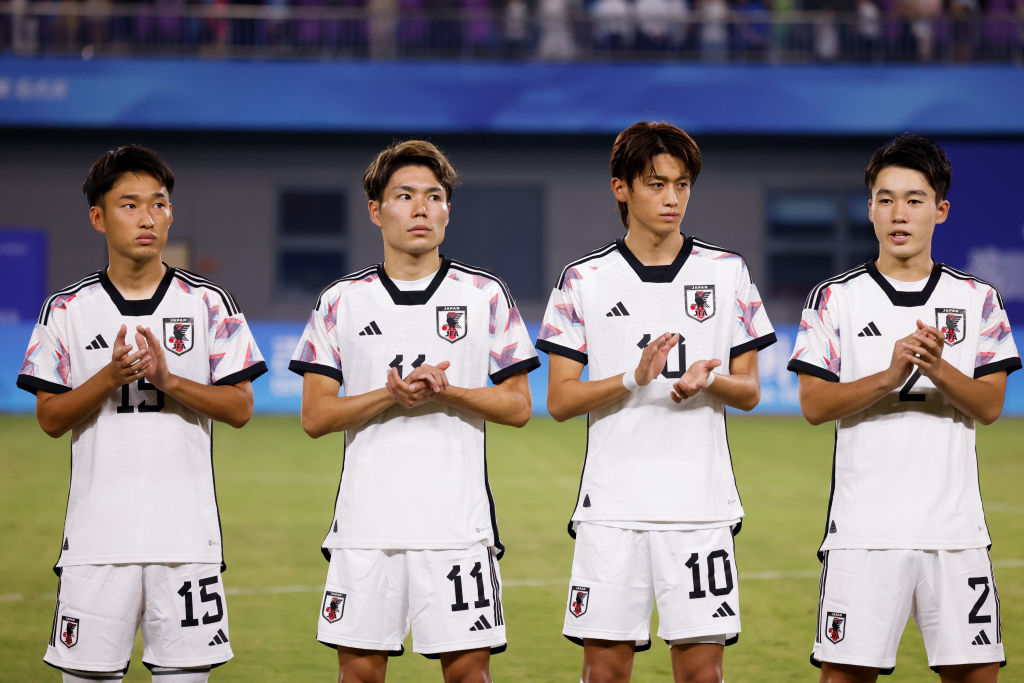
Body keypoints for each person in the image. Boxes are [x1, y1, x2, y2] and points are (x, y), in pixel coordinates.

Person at [289, 139, 538, 683]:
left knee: (470, 677)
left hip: (458, 526)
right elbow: (314, 417)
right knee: (358, 677)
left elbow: (520, 407)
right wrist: (390, 395)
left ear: (448, 208)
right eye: (405, 195)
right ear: (376, 210)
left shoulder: (485, 295)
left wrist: (450, 393)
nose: (422, 208)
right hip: (365, 528)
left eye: (434, 196)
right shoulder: (340, 302)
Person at [16, 145, 268, 683]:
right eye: (129, 204)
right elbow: (50, 418)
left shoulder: (209, 303)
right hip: (95, 545)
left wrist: (169, 381)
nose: (148, 217)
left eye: (159, 203)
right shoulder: (66, 310)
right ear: (98, 217)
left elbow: (242, 408)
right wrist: (110, 378)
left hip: (185, 543)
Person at [536, 121, 777, 683]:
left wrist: (706, 383)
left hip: (700, 508)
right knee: (604, 672)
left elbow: (749, 391)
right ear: (621, 188)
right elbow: (560, 400)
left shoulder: (727, 272)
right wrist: (632, 378)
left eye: (682, 184)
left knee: (701, 674)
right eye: (656, 183)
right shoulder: (582, 280)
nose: (672, 198)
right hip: (612, 510)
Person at [787, 134, 1020, 683]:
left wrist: (938, 368)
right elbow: (815, 405)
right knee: (844, 676)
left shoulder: (978, 299)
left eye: (914, 199)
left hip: (955, 532)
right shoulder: (834, 298)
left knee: (977, 676)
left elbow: (989, 406)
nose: (899, 213)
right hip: (864, 533)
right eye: (885, 198)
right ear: (869, 208)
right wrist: (891, 376)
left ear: (940, 210)